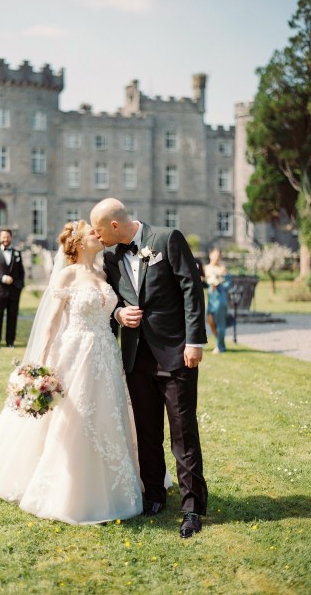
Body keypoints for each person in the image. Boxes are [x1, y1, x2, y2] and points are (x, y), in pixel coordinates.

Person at [0, 220, 145, 525]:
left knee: (108, 414)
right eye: (92, 233)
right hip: (75, 353)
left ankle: (115, 482)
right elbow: (51, 323)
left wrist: (122, 314)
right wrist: (38, 366)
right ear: (79, 243)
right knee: (74, 416)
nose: (99, 235)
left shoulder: (104, 272)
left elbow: (112, 309)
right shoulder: (67, 275)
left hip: (106, 354)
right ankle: (68, 488)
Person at [90, 198, 208, 539]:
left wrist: (194, 341)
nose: (96, 238)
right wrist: (118, 315)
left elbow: (191, 288)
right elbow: (108, 299)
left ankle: (191, 507)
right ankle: (154, 494)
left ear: (115, 225)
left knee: (183, 432)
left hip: (177, 353)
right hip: (136, 357)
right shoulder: (111, 257)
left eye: (99, 230)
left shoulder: (168, 239)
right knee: (146, 430)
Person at [0, 229, 25, 348]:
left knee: (12, 316)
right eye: (3, 237)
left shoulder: (17, 253)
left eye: (8, 237)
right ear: (0, 238)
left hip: (14, 290)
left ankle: (10, 342)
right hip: (0, 289)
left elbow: (21, 272)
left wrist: (19, 286)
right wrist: (3, 278)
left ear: (11, 238)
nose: (5, 239)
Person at [205, 248, 231, 354]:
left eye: (218, 256)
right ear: (210, 255)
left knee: (220, 324)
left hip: (220, 299)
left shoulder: (222, 269)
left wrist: (219, 284)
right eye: (215, 255)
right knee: (211, 321)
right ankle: (221, 343)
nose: (217, 257)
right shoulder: (206, 268)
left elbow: (228, 283)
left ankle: (219, 347)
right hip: (211, 300)